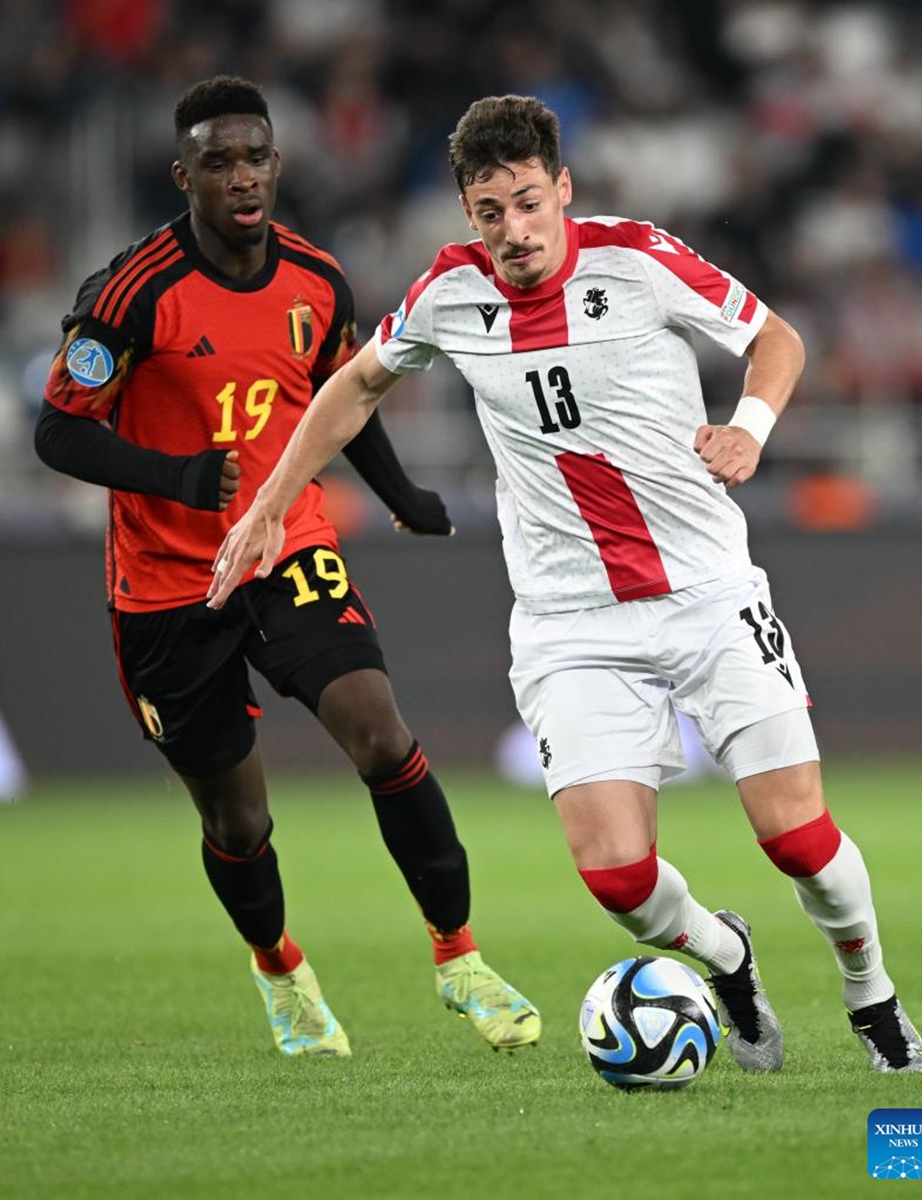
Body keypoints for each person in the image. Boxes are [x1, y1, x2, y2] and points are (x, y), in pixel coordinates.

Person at [209, 94, 922, 1075]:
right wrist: (268, 502)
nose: (510, 232)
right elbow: (352, 386)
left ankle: (870, 996)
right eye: (486, 212)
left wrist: (747, 431)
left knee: (796, 837)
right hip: (569, 621)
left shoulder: (636, 260)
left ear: (561, 190)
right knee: (617, 879)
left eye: (524, 204)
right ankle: (725, 958)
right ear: (465, 215)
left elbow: (776, 340)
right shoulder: (445, 294)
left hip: (705, 592)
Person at [34, 77, 541, 1058]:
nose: (241, 178)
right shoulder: (130, 294)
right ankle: (281, 972)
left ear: (276, 163)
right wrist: (174, 475)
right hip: (168, 582)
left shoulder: (316, 279)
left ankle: (460, 961)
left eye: (255, 157)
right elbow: (59, 430)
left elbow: (341, 398)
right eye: (217, 162)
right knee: (236, 816)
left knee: (382, 737)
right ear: (183, 176)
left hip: (288, 545)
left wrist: (396, 492)